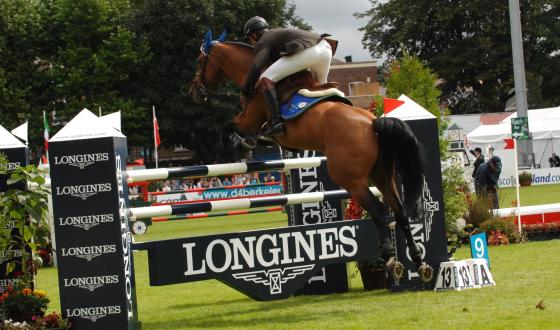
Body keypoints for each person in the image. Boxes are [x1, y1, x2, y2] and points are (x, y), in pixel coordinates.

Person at [241, 16, 335, 137]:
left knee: (265, 78)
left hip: (309, 51)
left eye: (249, 39)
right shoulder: (277, 33)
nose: (252, 43)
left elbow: (257, 65)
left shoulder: (263, 40)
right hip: (325, 48)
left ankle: (276, 123)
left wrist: (247, 85)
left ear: (254, 35)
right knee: (322, 89)